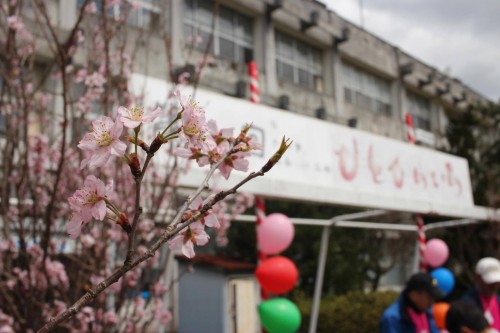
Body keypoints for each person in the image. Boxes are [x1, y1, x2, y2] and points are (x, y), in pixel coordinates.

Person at [461, 257, 500, 332]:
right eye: (491, 283)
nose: (494, 286)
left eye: (497, 282)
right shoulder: (468, 303)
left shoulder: (498, 299)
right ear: (479, 278)